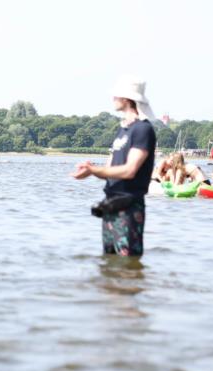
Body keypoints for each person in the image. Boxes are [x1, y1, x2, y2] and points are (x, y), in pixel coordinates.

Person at [70, 76, 157, 257]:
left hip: (130, 207)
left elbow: (130, 170)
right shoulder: (122, 129)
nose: (112, 99)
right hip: (111, 204)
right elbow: (109, 169)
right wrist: (90, 170)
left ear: (126, 99)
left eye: (116, 95)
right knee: (108, 263)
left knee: (127, 261)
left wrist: (94, 170)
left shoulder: (143, 129)